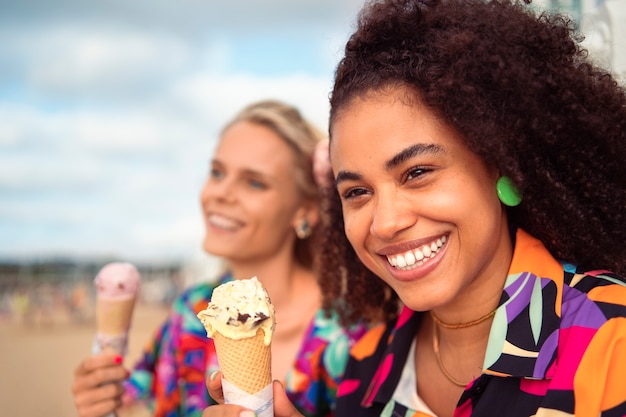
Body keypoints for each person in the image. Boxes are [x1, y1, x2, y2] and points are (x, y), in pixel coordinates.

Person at [202, 0, 626, 416]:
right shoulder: (367, 362)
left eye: (417, 171)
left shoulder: (611, 340)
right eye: (357, 192)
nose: (386, 223)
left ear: (504, 167)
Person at [71, 100, 367, 417]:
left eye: (254, 182)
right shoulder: (190, 313)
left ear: (305, 209)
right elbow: (137, 404)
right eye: (217, 172)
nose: (220, 193)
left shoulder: (354, 333)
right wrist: (101, 405)